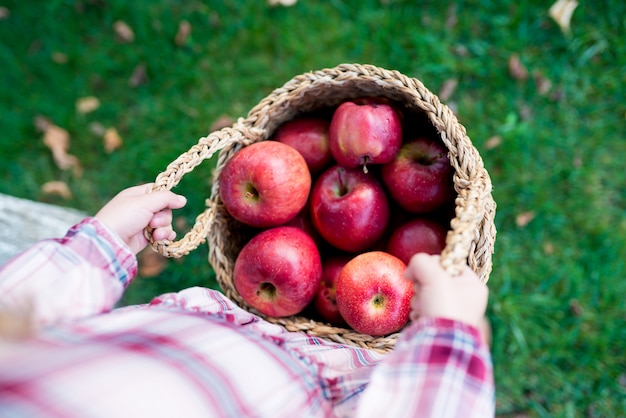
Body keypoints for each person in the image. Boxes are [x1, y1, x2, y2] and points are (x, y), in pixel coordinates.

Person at [0, 184, 494, 417]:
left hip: (216, 330)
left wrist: (98, 246)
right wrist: (451, 339)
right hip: (326, 386)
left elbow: (24, 318)